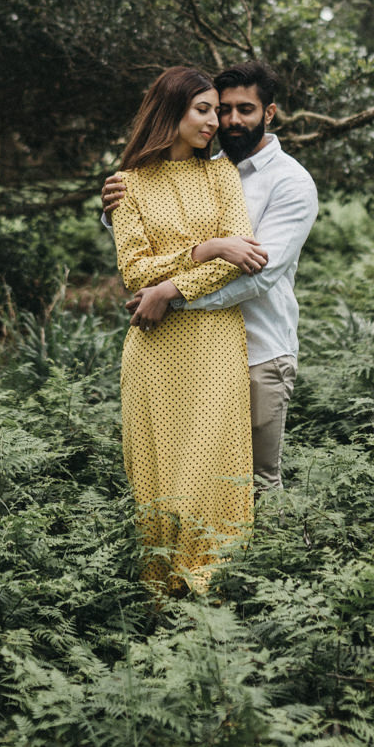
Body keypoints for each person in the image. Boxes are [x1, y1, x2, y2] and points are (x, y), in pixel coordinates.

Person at [106, 60, 319, 490]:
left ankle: (276, 559)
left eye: (246, 109)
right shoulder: (208, 165)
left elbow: (258, 275)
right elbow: (154, 235)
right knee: (198, 481)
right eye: (223, 109)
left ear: (269, 113)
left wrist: (167, 293)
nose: (231, 120)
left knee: (257, 482)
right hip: (189, 350)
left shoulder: (290, 183)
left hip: (259, 350)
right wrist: (115, 214)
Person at [111, 65, 267, 596]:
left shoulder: (220, 175)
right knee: (159, 488)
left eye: (217, 111)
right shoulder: (127, 185)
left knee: (209, 477)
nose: (215, 122)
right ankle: (161, 602)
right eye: (204, 110)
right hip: (154, 352)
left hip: (216, 344)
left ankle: (210, 593)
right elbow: (135, 272)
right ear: (171, 110)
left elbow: (242, 258)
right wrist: (208, 248)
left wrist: (176, 280)